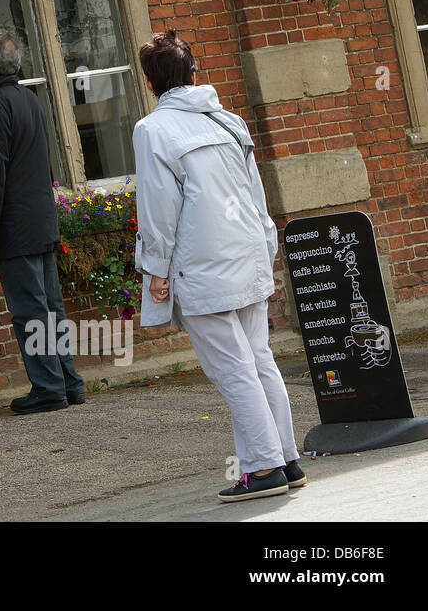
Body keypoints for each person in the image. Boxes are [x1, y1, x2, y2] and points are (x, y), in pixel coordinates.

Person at [133, 29, 305, 503]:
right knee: (258, 359)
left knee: (234, 369)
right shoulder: (229, 122)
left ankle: (264, 467)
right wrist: (265, 245)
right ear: (195, 73)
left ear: (151, 84)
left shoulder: (153, 130)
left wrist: (157, 272)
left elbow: (158, 212)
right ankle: (285, 459)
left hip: (201, 266)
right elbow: (255, 194)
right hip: (247, 253)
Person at [0, 28, 84, 414]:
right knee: (51, 307)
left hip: (14, 226)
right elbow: (18, 157)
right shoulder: (29, 99)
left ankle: (48, 388)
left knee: (30, 311)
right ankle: (68, 382)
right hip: (40, 218)